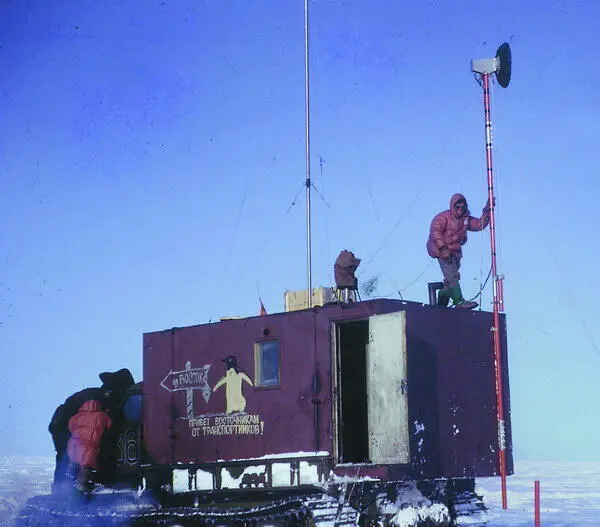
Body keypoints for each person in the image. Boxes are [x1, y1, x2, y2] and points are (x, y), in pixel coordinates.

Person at [426, 193, 491, 309]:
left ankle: (441, 304)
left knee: (449, 280)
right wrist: (443, 248)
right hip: (442, 251)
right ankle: (459, 301)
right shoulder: (442, 217)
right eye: (458, 207)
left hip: (455, 252)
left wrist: (487, 212)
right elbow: (435, 232)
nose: (460, 210)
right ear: (453, 206)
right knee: (452, 276)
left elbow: (479, 224)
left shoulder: (465, 220)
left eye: (463, 207)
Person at [67, 399, 113, 497]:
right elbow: (110, 426)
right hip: (90, 446)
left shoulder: (77, 416)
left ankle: (72, 491)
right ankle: (81, 493)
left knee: (76, 466)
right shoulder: (102, 416)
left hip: (75, 445)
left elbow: (70, 426)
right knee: (86, 467)